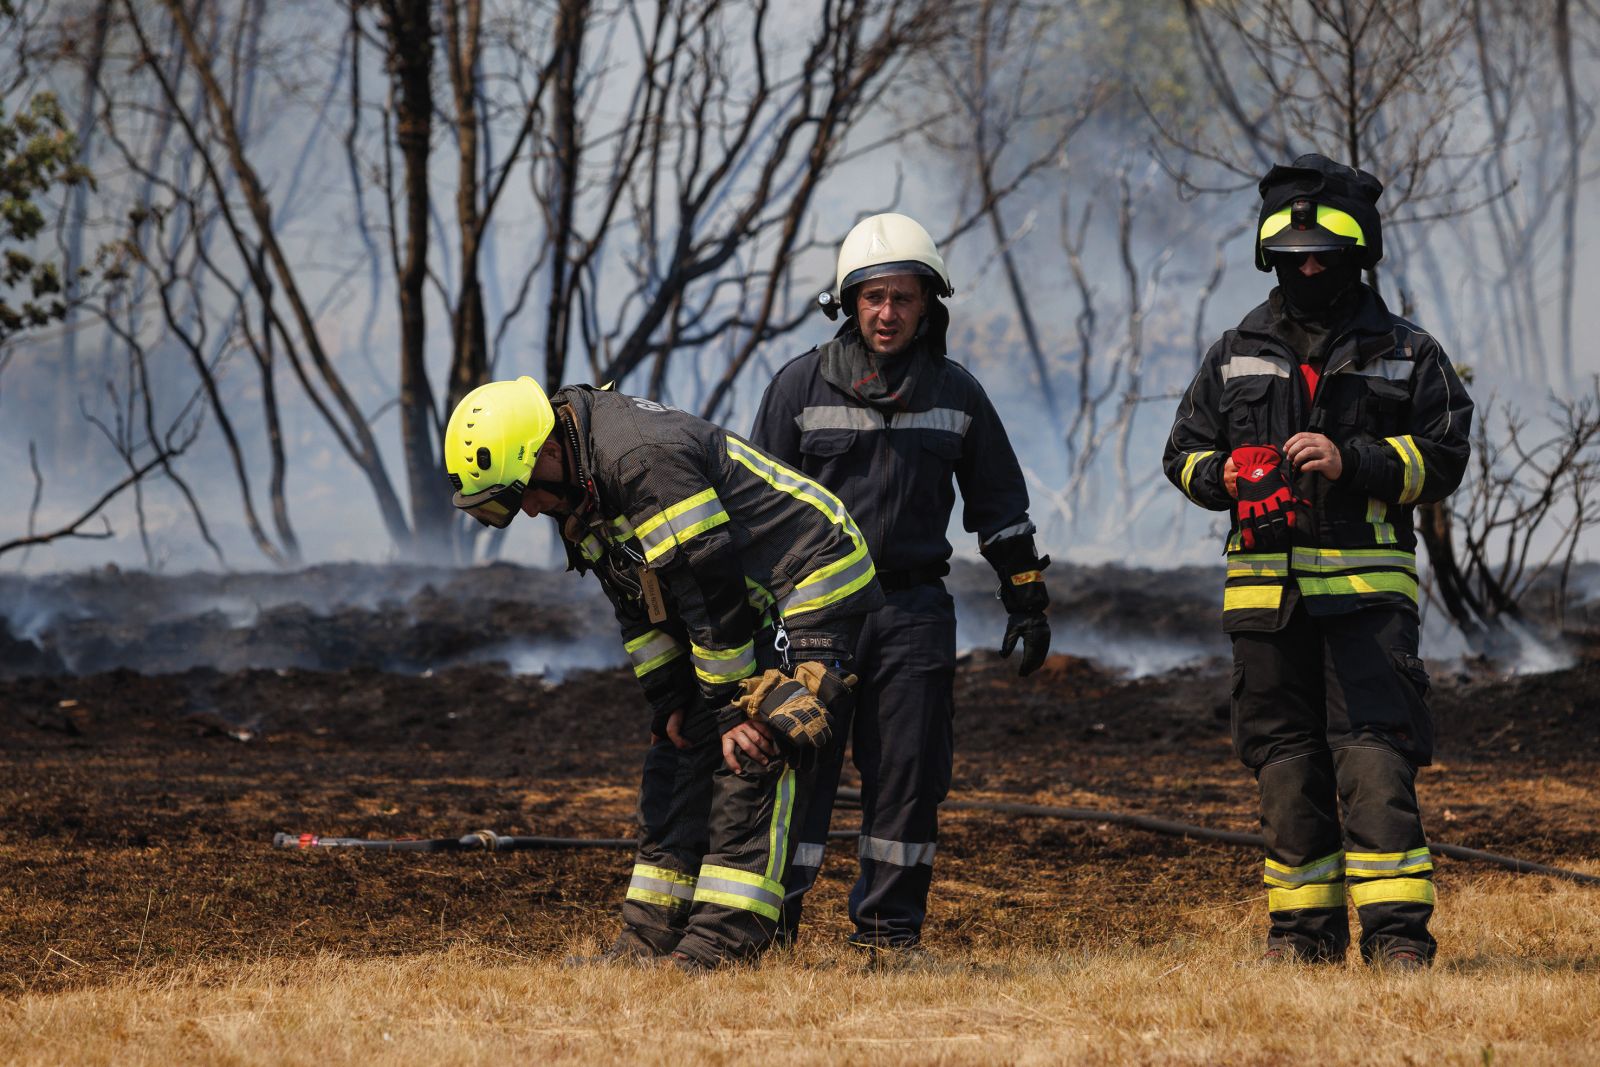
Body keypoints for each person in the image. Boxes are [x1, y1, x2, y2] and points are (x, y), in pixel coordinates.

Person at [444, 377, 884, 971]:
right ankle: (651, 938)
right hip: (737, 600)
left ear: (546, 450)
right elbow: (640, 603)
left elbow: (706, 585)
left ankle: (725, 941)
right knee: (676, 753)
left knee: (755, 740)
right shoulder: (579, 480)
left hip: (806, 579)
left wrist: (733, 706)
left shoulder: (640, 458)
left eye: (521, 493)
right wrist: (671, 698)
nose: (527, 509)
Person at [1163, 154, 1473, 968]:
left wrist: (1353, 459)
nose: (1308, 264)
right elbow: (1184, 455)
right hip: (1267, 603)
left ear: (1356, 253)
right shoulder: (1235, 350)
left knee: (1374, 761)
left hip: (1368, 604)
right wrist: (1221, 476)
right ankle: (1301, 938)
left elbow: (1444, 456)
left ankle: (1399, 941)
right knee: (1285, 769)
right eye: (1293, 251)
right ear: (1270, 252)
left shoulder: (1407, 350)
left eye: (1324, 253)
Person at [750, 212, 1051, 964]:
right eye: (873, 297)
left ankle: (888, 936)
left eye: (903, 299)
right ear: (849, 302)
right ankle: (767, 927)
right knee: (797, 767)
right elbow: (752, 508)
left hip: (914, 611)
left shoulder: (958, 394)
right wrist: (756, 623)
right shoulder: (797, 387)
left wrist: (1027, 598)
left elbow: (1000, 508)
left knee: (910, 776)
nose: (887, 313)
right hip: (815, 614)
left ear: (928, 306)